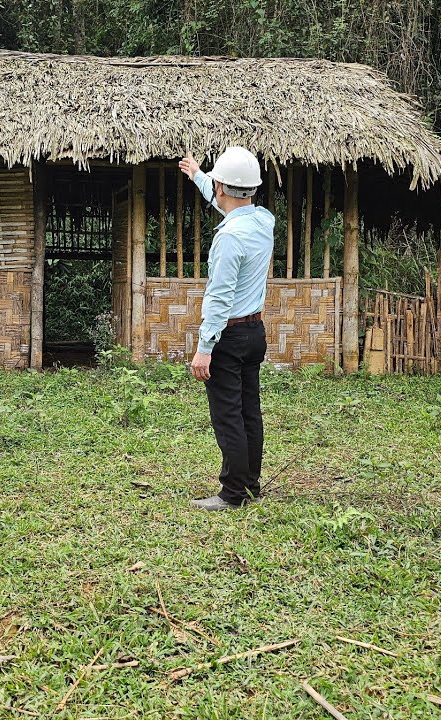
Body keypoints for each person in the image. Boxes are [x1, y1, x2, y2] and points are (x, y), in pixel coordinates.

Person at [178, 147, 274, 511]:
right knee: (249, 409)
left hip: (229, 336)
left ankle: (232, 493)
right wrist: (200, 177)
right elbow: (231, 205)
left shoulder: (229, 238)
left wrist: (205, 348)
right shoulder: (262, 221)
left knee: (227, 415)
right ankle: (249, 484)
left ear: (222, 187)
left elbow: (219, 298)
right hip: (254, 332)